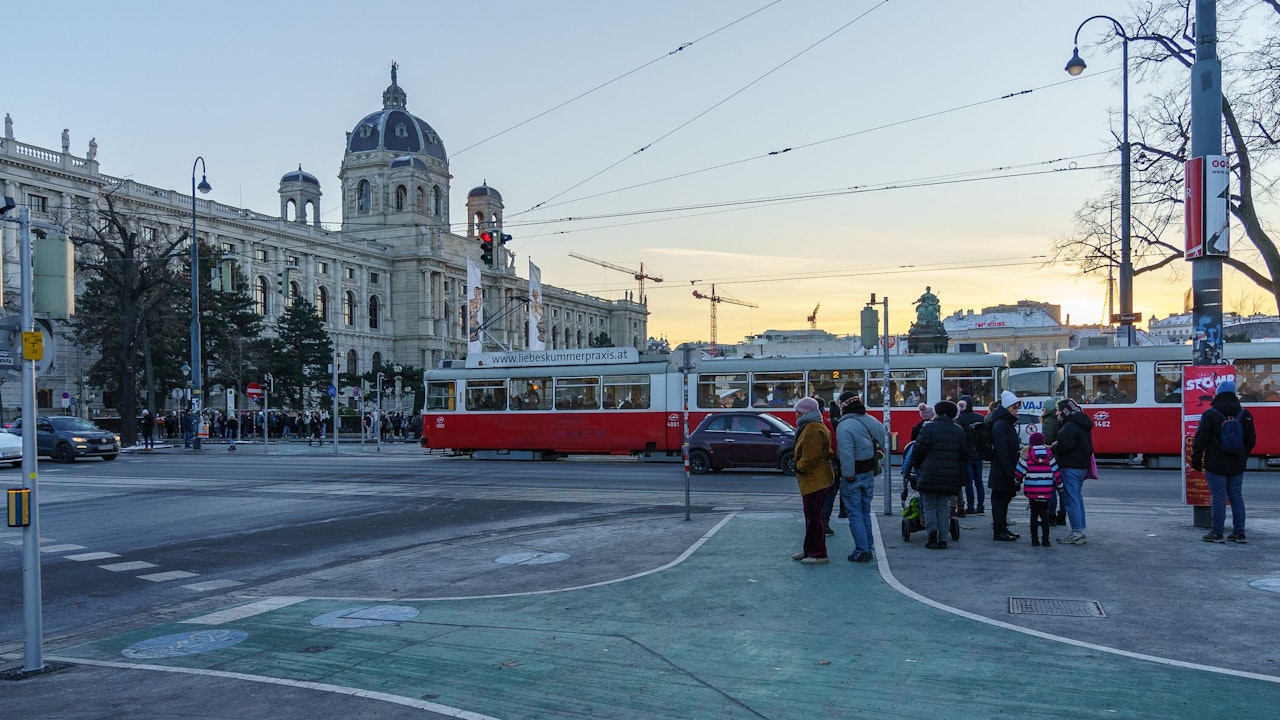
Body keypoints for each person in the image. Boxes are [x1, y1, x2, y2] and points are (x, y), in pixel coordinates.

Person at [1191, 380, 1257, 543]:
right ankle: (1239, 532)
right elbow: (1251, 440)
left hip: (1216, 463)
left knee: (1219, 496)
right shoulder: (1245, 414)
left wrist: (1196, 460)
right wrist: (1243, 456)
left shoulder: (1210, 414)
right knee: (1236, 495)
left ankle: (1217, 533)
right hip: (1237, 463)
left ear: (1218, 394)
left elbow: (1200, 440)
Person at [902, 401, 967, 550]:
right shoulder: (958, 431)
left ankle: (932, 537)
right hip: (950, 476)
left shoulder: (928, 428)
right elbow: (963, 456)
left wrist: (916, 466)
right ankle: (943, 539)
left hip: (929, 474)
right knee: (943, 507)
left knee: (930, 506)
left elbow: (918, 451)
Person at [836, 392, 885, 563]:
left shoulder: (844, 426)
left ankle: (861, 550)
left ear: (843, 406)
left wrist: (847, 474)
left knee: (854, 513)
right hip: (869, 473)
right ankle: (869, 546)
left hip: (853, 475)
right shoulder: (871, 420)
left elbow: (846, 454)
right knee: (865, 511)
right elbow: (883, 440)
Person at [791, 397, 834, 565]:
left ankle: (818, 553)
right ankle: (810, 549)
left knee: (814, 518)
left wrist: (798, 467)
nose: (795, 414)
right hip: (816, 479)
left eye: (797, 411)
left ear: (804, 413)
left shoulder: (812, 429)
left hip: (815, 480)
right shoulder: (812, 426)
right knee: (812, 516)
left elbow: (810, 457)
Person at [1053, 398, 1095, 545]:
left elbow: (1064, 447)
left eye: (1058, 410)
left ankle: (1076, 532)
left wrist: (1053, 447)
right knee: (1077, 498)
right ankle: (1080, 529)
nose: (1057, 413)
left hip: (1070, 466)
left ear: (1065, 410)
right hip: (1081, 467)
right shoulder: (1082, 423)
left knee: (1071, 500)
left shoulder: (1070, 426)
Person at [1014, 431, 1063, 547]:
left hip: (1032, 492)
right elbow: (1056, 473)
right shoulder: (1050, 456)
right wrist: (1060, 487)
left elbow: (1019, 473)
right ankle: (1046, 540)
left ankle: (1034, 540)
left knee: (1034, 515)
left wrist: (1017, 482)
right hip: (1046, 491)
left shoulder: (1027, 456)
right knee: (1044, 515)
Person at [988, 390, 1022, 541]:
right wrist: (1011, 472)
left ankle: (1002, 528)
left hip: (1004, 468)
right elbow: (1003, 451)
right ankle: (998, 530)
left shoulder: (1004, 423)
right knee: (1000, 500)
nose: (1016, 410)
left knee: (1004, 499)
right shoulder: (1001, 425)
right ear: (1007, 408)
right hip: (1002, 470)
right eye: (1014, 407)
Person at [955, 396, 985, 515]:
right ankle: (981, 506)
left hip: (966, 455)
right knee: (979, 482)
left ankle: (971, 506)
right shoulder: (980, 418)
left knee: (969, 482)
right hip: (978, 454)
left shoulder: (959, 420)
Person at [1038, 398, 1066, 526]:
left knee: (1052, 488)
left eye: (1044, 407)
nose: (1042, 409)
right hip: (1063, 456)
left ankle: (1051, 516)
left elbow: (1046, 440)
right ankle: (1062, 516)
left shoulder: (1049, 420)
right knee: (1062, 489)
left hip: (1053, 456)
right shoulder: (1062, 419)